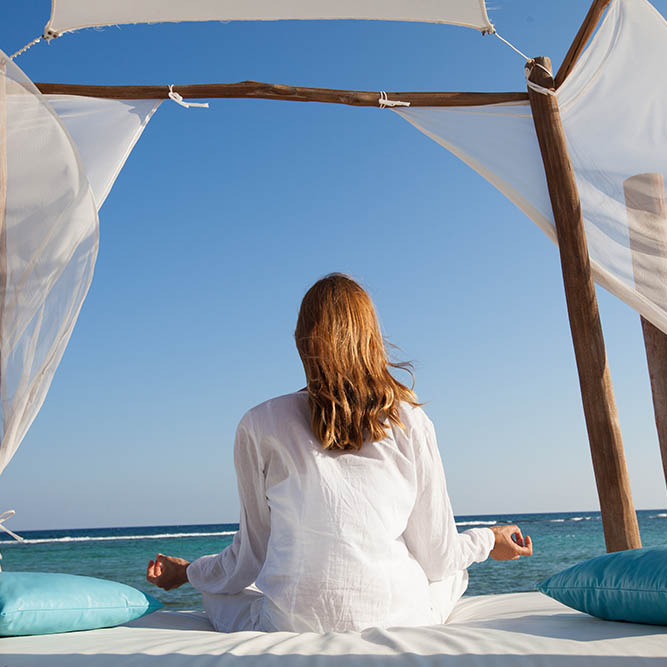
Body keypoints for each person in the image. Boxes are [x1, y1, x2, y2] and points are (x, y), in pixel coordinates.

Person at [146, 273, 532, 632]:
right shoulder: (410, 421)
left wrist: (188, 571)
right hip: (401, 619)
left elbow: (249, 560)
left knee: (216, 592)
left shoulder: (259, 424)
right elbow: (438, 557)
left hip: (293, 624)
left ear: (300, 340)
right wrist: (488, 539)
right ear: (371, 339)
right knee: (453, 574)